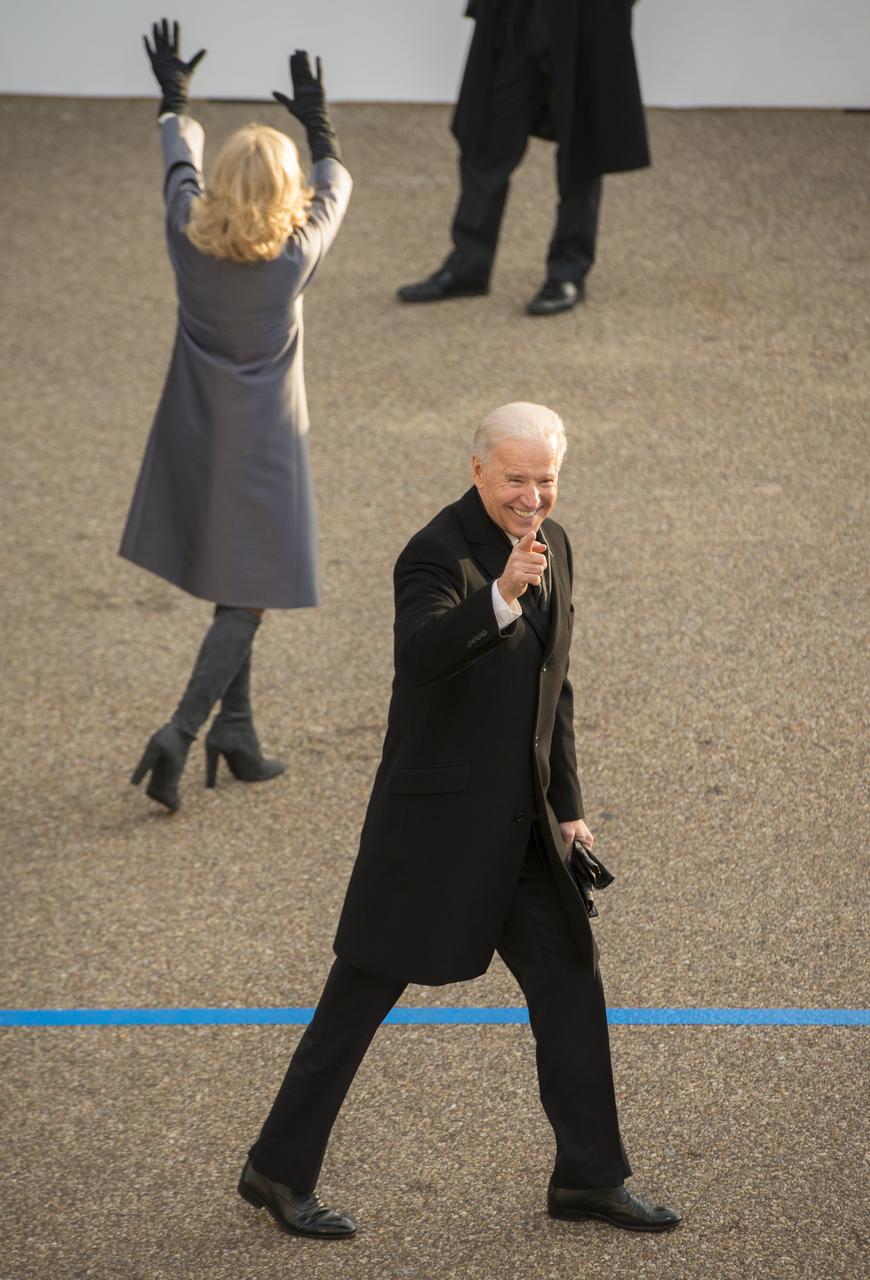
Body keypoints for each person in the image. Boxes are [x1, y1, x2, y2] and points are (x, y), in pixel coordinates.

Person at [238, 403, 680, 1238]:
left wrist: (570, 810)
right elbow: (423, 652)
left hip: (521, 831)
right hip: (434, 836)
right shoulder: (435, 552)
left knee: (570, 987)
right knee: (356, 1001)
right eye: (516, 478)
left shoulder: (561, 544)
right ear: (477, 468)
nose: (532, 496)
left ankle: (589, 1176)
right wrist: (503, 597)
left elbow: (556, 686)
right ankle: (276, 1169)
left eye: (546, 478)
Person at [121, 21, 352, 811]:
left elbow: (177, 156)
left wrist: (174, 93)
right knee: (250, 596)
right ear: (285, 193)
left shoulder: (187, 231)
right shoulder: (294, 255)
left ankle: (238, 731)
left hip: (193, 426)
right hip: (266, 442)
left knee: (235, 579)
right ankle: (182, 731)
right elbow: (337, 184)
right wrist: (316, 122)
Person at [397, 0, 648, 316]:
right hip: (515, 15)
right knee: (486, 140)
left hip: (584, 18)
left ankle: (567, 273)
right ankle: (469, 266)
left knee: (580, 151)